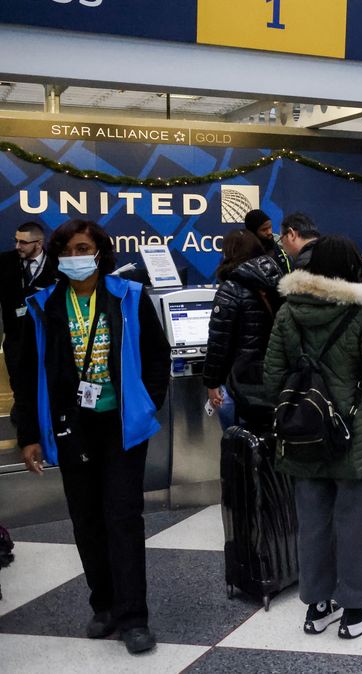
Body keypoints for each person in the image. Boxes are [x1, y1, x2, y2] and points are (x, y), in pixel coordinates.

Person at [13, 219, 170, 654]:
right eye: (67, 250)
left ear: (99, 251)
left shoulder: (129, 297)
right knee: (86, 521)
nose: (75, 257)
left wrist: (146, 403)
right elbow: (25, 375)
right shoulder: (44, 305)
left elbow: (158, 357)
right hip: (71, 427)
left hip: (121, 428)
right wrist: (28, 434)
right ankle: (104, 607)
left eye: (83, 248)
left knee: (123, 518)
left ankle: (134, 617)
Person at [264, 236, 362, 640]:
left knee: (312, 521)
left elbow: (271, 379)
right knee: (353, 521)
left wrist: (301, 408)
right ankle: (356, 609)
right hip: (351, 434)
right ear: (354, 267)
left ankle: (318, 606)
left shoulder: (288, 312)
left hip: (302, 433)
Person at [204, 230, 284, 431]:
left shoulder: (231, 288)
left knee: (239, 446)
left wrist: (212, 383)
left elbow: (218, 343)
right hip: (276, 378)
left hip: (239, 382)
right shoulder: (279, 282)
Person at [1, 221, 58, 384]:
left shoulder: (57, 264)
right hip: (16, 340)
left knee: (48, 387)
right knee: (21, 391)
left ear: (39, 243)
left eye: (23, 242)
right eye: (16, 241)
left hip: (48, 339)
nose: (18, 246)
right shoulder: (4, 262)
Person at [245, 209, 291, 275]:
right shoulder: (243, 250)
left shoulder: (280, 243)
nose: (269, 232)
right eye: (264, 229)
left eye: (270, 227)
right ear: (253, 232)